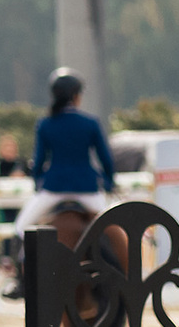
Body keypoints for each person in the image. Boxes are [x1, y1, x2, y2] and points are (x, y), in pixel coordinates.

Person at [17, 66, 116, 234]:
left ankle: (15, 259)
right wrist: (109, 183)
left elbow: (39, 160)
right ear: (77, 96)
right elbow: (105, 158)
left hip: (53, 188)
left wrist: (38, 183)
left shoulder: (45, 124)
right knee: (115, 228)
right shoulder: (90, 123)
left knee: (20, 228)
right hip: (87, 188)